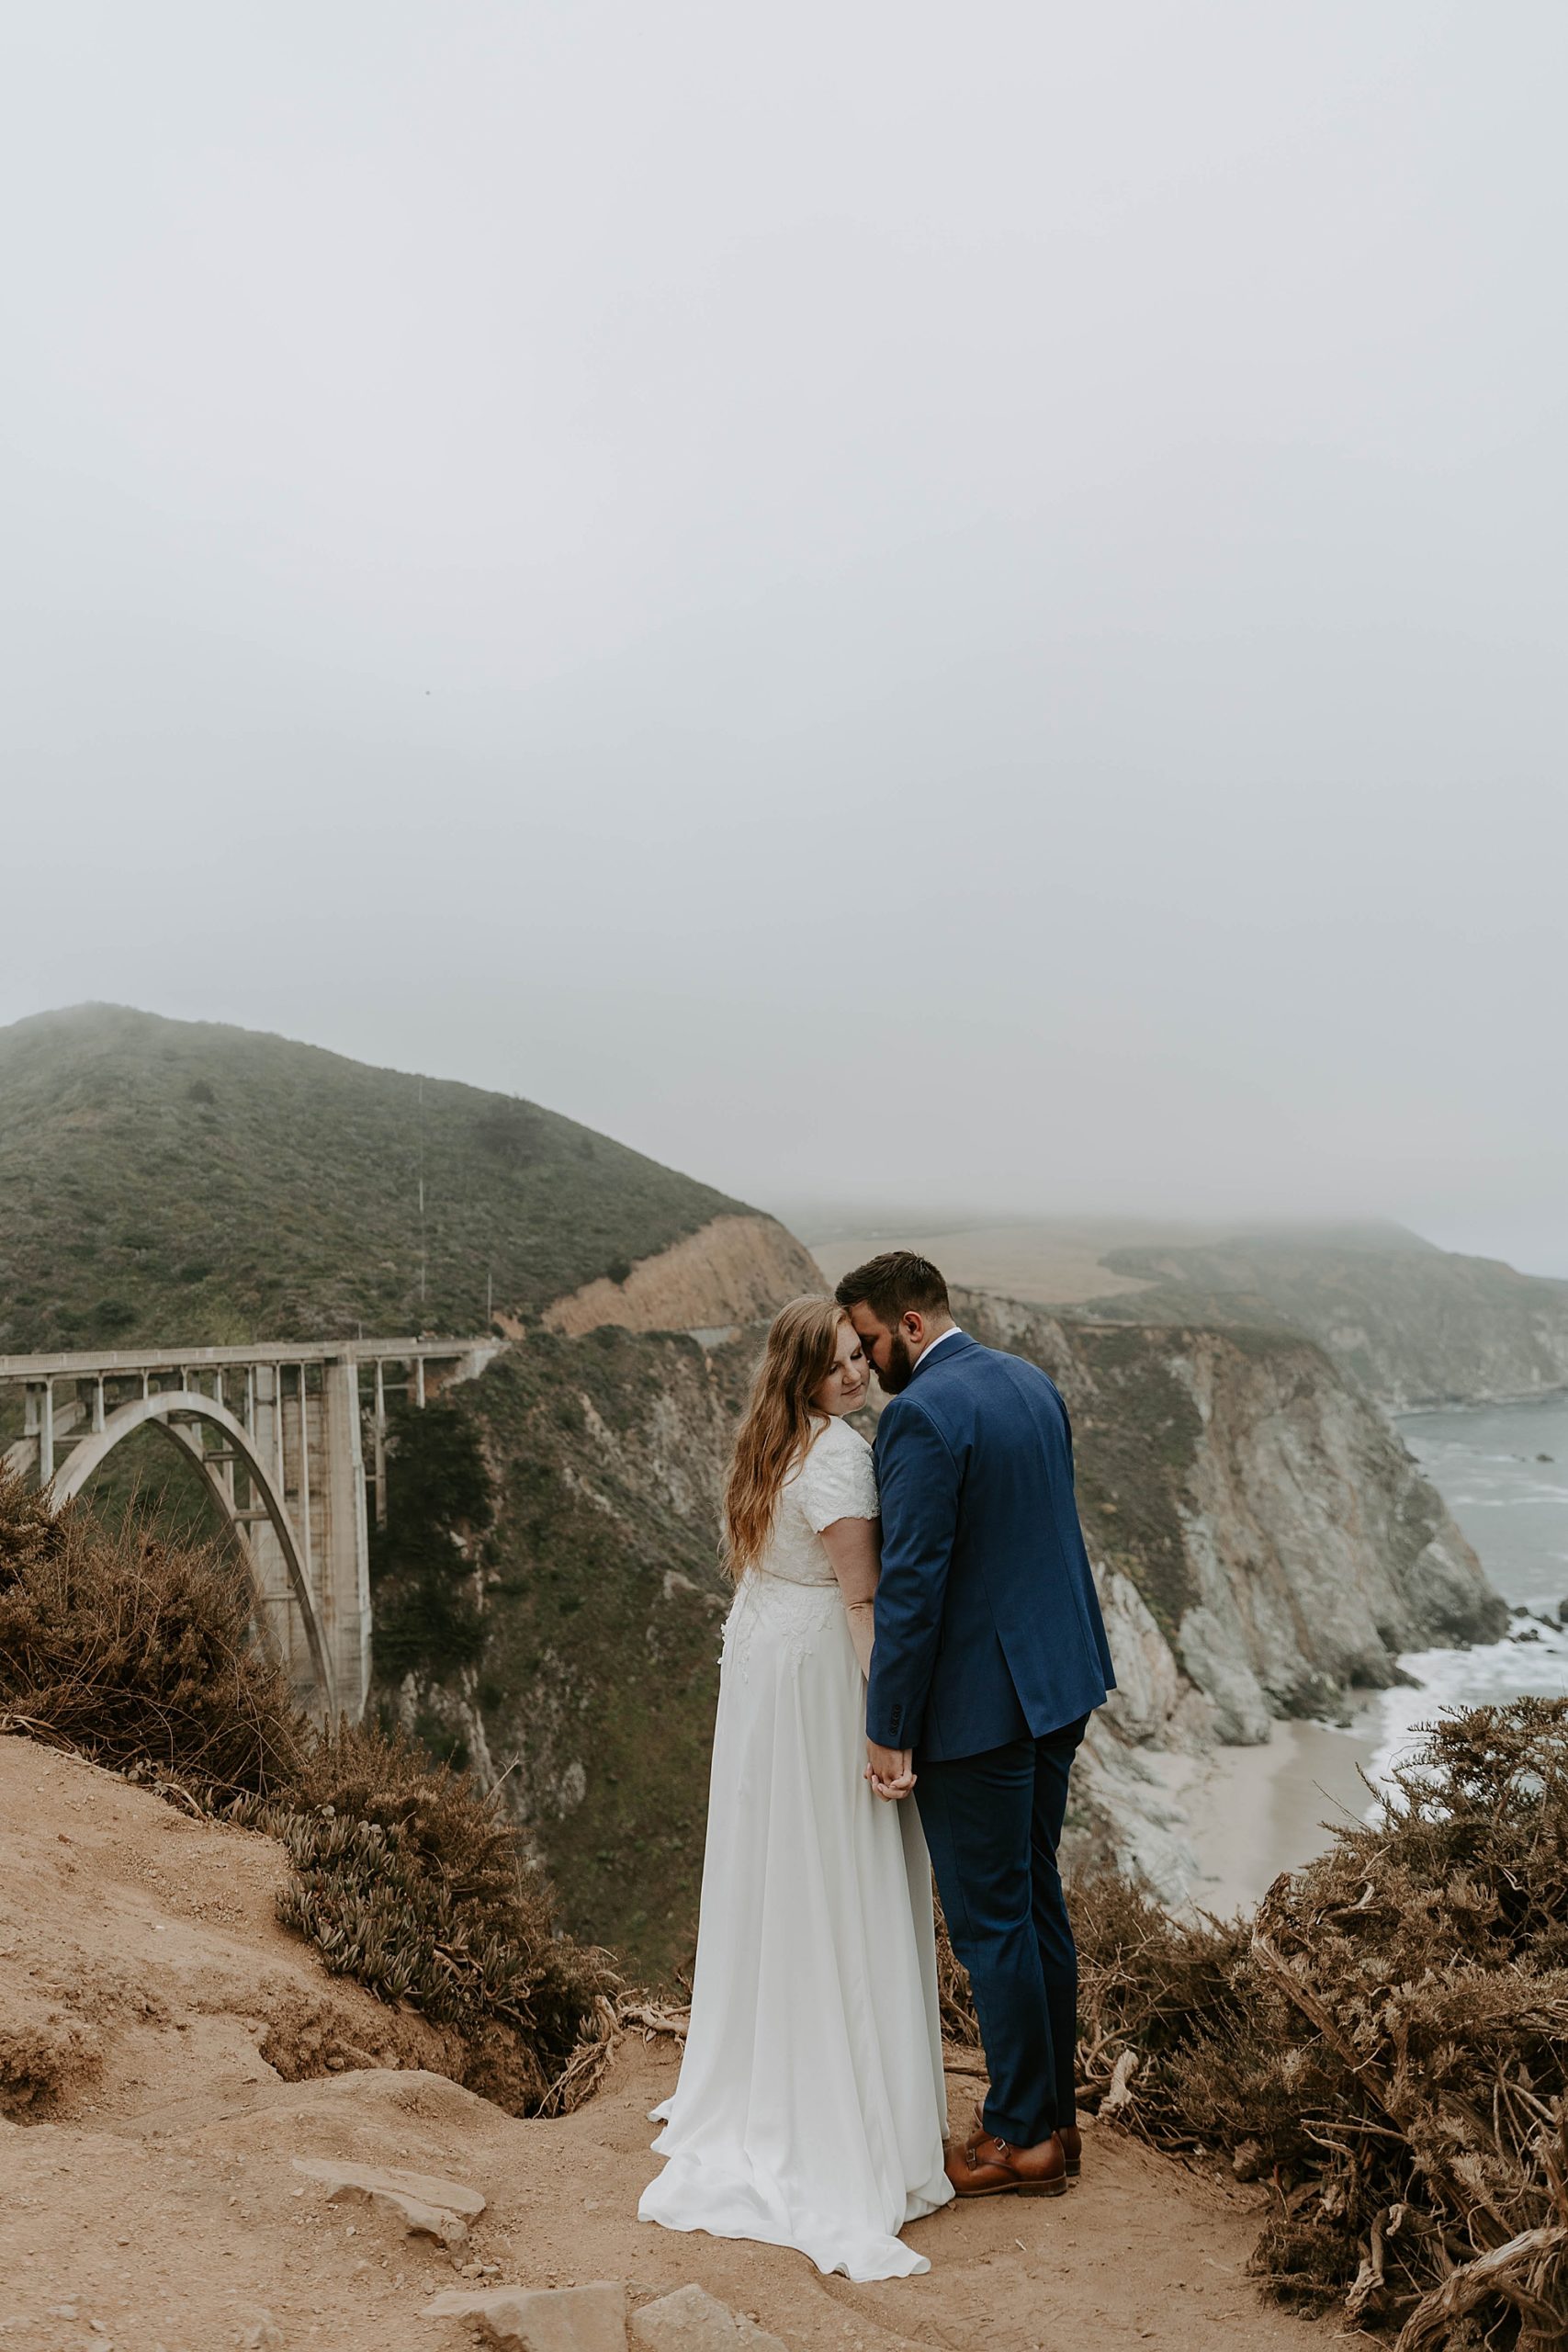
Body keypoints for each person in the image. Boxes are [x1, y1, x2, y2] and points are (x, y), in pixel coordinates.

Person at [637, 1296, 953, 2279]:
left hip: (765, 1666)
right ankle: (838, 2097)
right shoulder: (842, 1456)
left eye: (858, 1354)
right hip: (817, 1673)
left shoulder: (770, 1443)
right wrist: (888, 1729)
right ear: (801, 1373)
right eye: (835, 1362)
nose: (855, 1372)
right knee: (835, 1859)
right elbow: (862, 1599)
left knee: (777, 1857)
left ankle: (762, 2062)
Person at [836, 1250, 1115, 2202]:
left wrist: (888, 1724)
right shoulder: (1027, 1380)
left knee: (993, 1923)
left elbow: (912, 1587)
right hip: (1058, 1683)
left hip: (981, 1707)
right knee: (1034, 1901)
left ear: (910, 1324)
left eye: (870, 1339)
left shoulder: (919, 1415)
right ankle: (1055, 2121)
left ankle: (1019, 2138)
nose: (867, 1362)